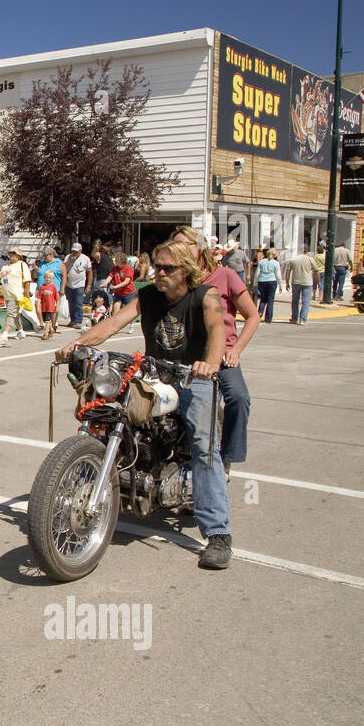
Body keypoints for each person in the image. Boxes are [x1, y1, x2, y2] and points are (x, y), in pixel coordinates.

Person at [56, 239, 232, 569]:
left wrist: (209, 363)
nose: (159, 273)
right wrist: (77, 343)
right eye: (156, 267)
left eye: (167, 269)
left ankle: (219, 534)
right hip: (156, 374)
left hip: (194, 377)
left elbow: (217, 332)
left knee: (203, 447)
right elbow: (113, 323)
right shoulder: (149, 295)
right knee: (112, 412)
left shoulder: (204, 296)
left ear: (186, 271)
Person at [186, 233, 261, 475]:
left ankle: (227, 458)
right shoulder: (180, 279)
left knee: (239, 398)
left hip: (223, 354)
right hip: (189, 354)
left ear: (200, 249)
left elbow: (253, 316)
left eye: (184, 245)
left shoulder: (226, 275)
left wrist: (236, 350)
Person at [0, 250, 31, 339]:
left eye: (14, 255)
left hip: (16, 294)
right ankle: (20, 330)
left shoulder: (22, 265)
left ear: (19, 257)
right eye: (11, 255)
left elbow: (27, 279)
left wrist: (26, 291)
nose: (11, 257)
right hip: (7, 294)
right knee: (15, 313)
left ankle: (6, 332)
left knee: (10, 313)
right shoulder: (6, 266)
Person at [64, 242, 91, 329]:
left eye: (76, 251)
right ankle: (73, 320)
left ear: (80, 251)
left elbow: (90, 272)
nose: (74, 253)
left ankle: (78, 321)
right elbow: (63, 267)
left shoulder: (85, 259)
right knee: (71, 303)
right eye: (73, 251)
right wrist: (70, 260)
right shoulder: (68, 257)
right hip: (69, 284)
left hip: (80, 284)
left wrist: (89, 285)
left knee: (78, 303)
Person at [286, 246, 314, 324]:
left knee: (295, 301)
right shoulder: (310, 259)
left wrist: (287, 282)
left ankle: (294, 318)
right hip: (307, 282)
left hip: (295, 282)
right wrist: (318, 282)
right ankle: (303, 319)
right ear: (307, 251)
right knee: (306, 301)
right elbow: (316, 270)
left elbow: (288, 272)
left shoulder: (293, 260)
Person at [253, 247, 280, 323]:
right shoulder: (275, 263)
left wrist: (255, 283)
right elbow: (278, 275)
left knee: (263, 299)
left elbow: (257, 273)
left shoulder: (262, 262)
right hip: (272, 281)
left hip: (262, 281)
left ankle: (259, 314)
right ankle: (268, 318)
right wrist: (280, 285)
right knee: (270, 300)